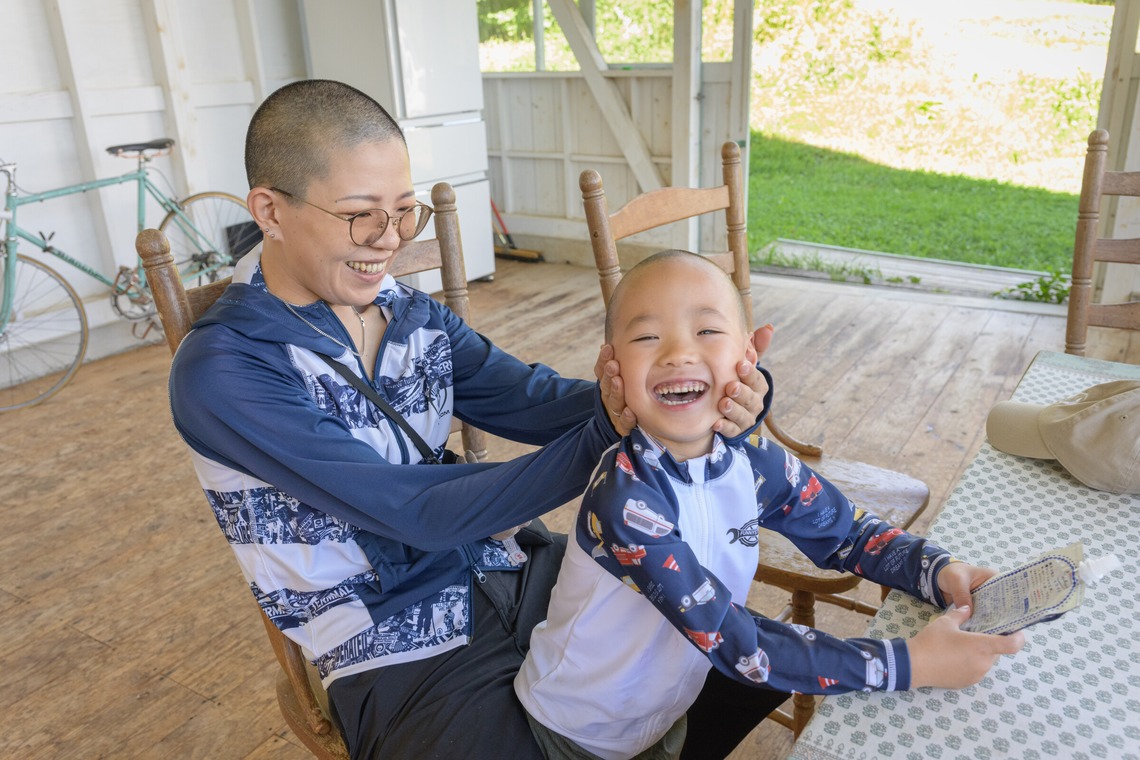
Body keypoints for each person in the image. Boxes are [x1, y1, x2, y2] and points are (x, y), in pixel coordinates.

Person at [167, 79, 775, 759]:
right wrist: (610, 429)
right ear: (270, 211)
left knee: (738, 661)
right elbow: (413, 512)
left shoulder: (405, 311)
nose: (389, 240)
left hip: (507, 566)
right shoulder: (226, 369)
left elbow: (531, 398)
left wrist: (696, 388)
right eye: (360, 215)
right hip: (390, 644)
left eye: (403, 211)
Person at [514, 250, 1026, 760]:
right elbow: (736, 642)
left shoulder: (754, 461)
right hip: (574, 733)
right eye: (647, 337)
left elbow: (847, 534)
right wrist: (909, 663)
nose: (677, 353)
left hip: (660, 712)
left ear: (749, 355)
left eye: (707, 332)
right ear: (612, 370)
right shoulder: (625, 497)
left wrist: (935, 570)